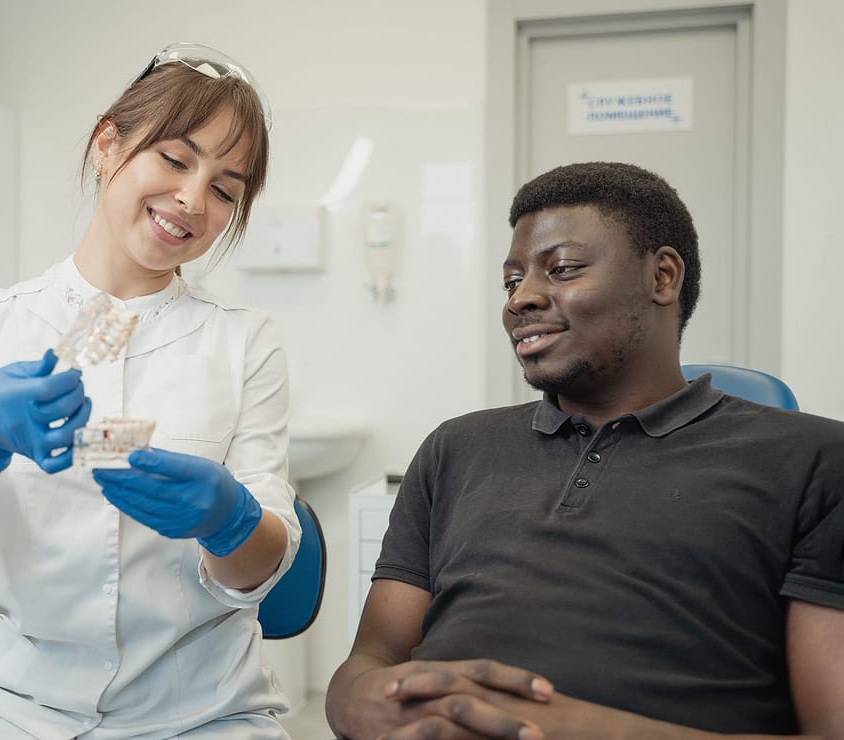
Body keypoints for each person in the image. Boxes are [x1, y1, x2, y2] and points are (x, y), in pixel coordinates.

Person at [326, 162, 844, 739]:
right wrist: (363, 703)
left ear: (663, 277)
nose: (520, 299)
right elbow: (372, 657)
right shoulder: (455, 449)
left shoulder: (816, 461)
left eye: (563, 269)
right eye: (511, 281)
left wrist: (553, 726)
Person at [0, 43, 301, 739]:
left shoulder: (246, 340)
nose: (193, 199)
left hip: (204, 711)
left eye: (226, 189)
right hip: (12, 706)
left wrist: (231, 519)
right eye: (174, 159)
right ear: (108, 144)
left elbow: (259, 570)